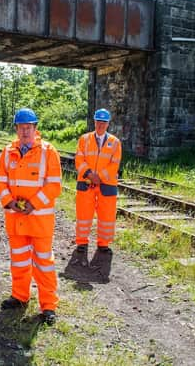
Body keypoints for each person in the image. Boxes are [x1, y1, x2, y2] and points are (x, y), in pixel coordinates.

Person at [0, 108, 62, 325]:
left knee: (44, 264)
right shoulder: (7, 151)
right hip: (16, 219)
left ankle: (48, 306)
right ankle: (20, 296)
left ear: (35, 128)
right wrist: (9, 202)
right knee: (19, 260)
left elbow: (54, 185)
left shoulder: (48, 152)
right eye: (21, 127)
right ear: (16, 128)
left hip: (40, 220)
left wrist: (33, 203)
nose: (25, 131)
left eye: (28, 127)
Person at [73, 108, 122, 280]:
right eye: (98, 121)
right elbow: (79, 159)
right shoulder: (84, 139)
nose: (100, 124)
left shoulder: (115, 142)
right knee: (83, 215)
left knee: (106, 216)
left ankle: (103, 244)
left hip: (105, 185)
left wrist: (99, 177)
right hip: (86, 183)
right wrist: (89, 174)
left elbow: (114, 164)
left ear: (108, 123)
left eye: (104, 122)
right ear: (94, 122)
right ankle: (81, 243)